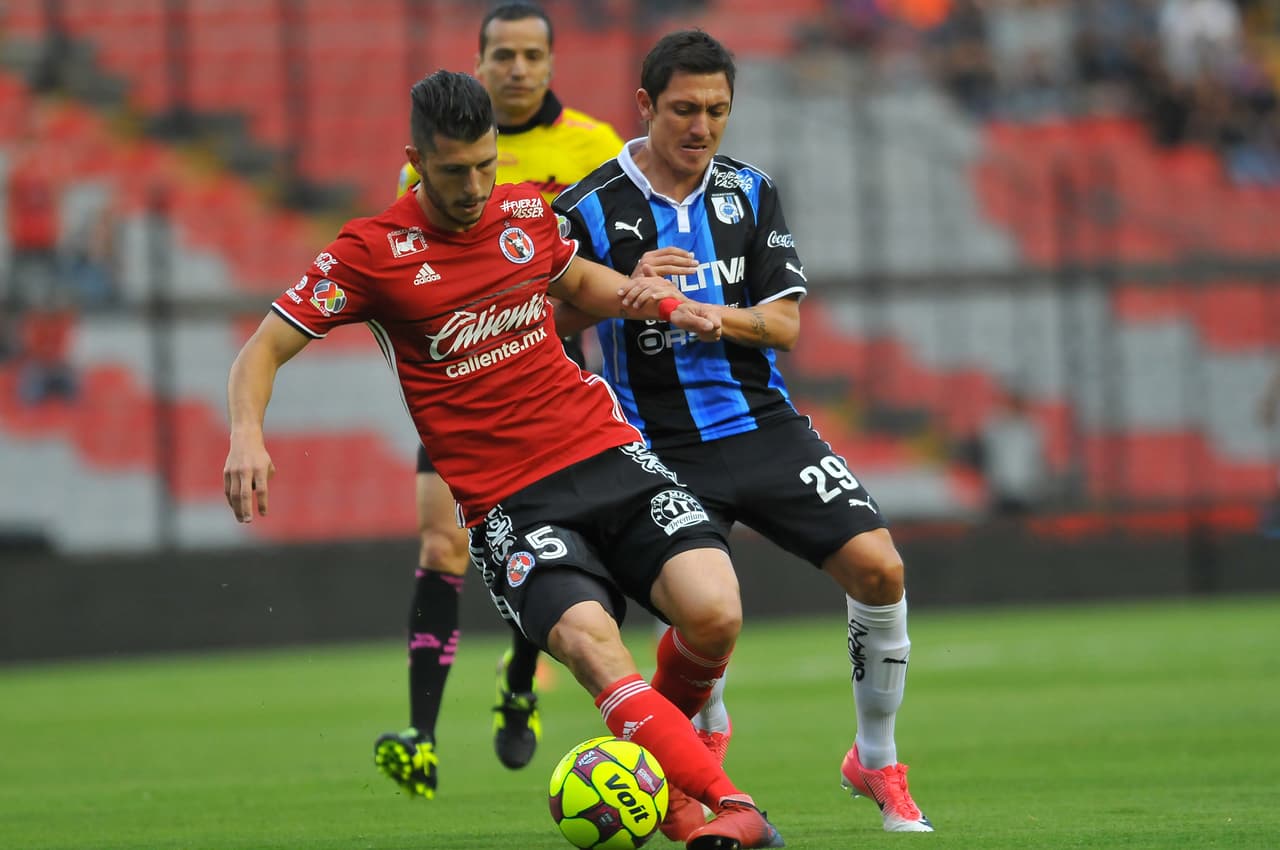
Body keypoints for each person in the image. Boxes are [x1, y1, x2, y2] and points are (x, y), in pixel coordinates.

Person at [223, 69, 783, 850]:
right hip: (511, 502)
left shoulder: (522, 210)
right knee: (594, 648)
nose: (477, 185)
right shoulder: (372, 252)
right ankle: (724, 808)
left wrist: (651, 297)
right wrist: (247, 434)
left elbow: (575, 278)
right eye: (456, 171)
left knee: (716, 613)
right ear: (415, 158)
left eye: (487, 163)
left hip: (607, 452)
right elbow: (262, 348)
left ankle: (661, 776)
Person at [553, 30, 934, 834]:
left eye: (718, 111)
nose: (702, 127)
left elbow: (785, 324)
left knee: (880, 569)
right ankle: (699, 758)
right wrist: (624, 292)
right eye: (685, 110)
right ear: (646, 106)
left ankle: (875, 758)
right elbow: (544, 321)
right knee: (702, 610)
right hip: (651, 445)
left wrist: (712, 316)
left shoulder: (751, 192)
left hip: (761, 426)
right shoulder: (588, 207)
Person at [380, 1, 626, 800]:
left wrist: (538, 314)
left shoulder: (593, 147)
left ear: (553, 64)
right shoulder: (439, 155)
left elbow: (599, 273)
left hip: (557, 382)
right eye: (502, 55)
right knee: (440, 542)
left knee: (561, 545)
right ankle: (421, 733)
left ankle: (521, 678)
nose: (517, 68)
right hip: (465, 394)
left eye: (531, 54)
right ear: (479, 62)